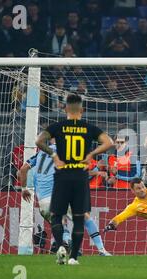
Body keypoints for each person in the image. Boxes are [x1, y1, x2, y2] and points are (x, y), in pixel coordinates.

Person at [35, 93, 113, 265]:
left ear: (65, 109)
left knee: (56, 216)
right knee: (79, 218)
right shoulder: (88, 128)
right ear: (82, 110)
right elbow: (109, 142)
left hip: (62, 176)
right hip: (80, 176)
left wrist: (54, 155)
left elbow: (39, 141)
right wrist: (91, 154)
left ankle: (61, 245)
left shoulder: (58, 126)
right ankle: (73, 258)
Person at [17, 139, 112, 256]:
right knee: (85, 217)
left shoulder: (40, 153)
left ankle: (67, 242)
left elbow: (22, 170)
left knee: (61, 223)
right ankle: (101, 250)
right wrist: (96, 170)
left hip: (43, 202)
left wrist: (24, 189)